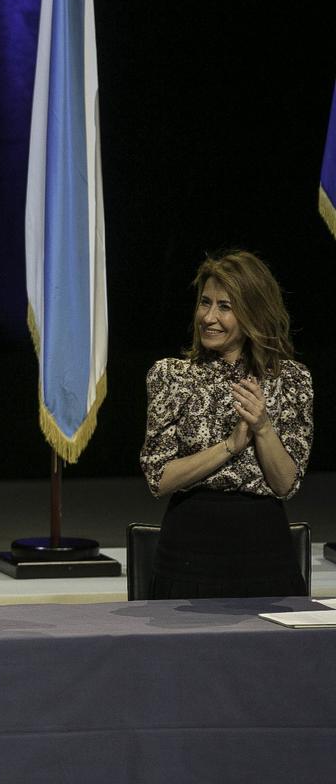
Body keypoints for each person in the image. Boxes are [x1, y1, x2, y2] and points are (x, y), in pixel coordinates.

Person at [139, 250, 313, 598]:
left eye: (224, 307)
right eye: (205, 303)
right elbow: (159, 479)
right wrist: (231, 445)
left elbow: (285, 484)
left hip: (265, 552)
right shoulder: (172, 376)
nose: (208, 317)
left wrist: (263, 428)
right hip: (188, 551)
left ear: (253, 312)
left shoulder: (292, 379)